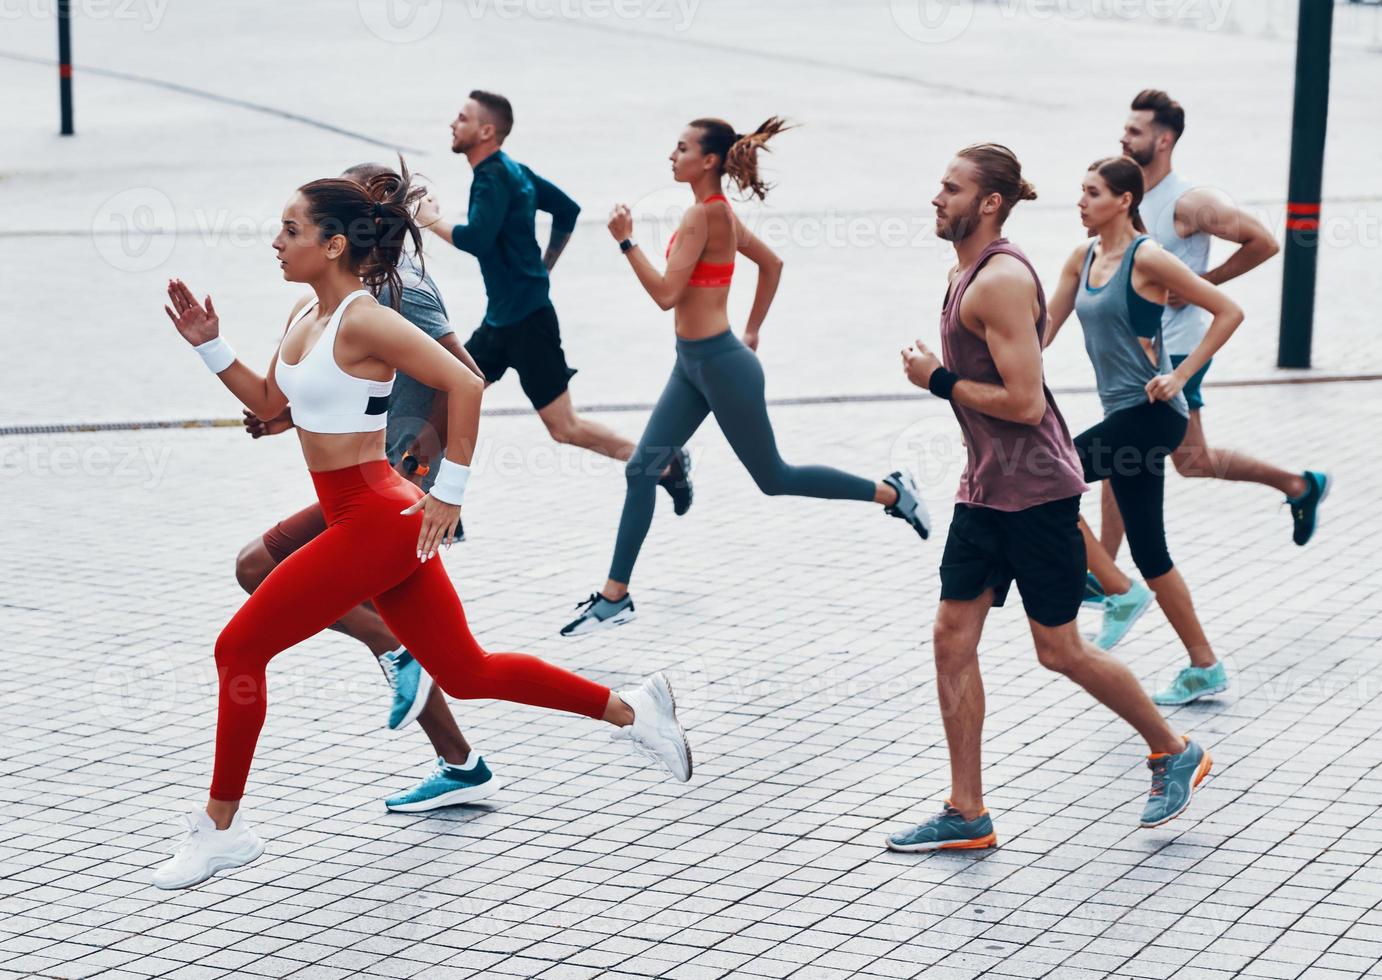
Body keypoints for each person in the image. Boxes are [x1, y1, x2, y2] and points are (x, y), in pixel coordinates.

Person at [153, 159, 692, 890]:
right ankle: (635, 708)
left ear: (336, 244)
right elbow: (272, 406)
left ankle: (222, 828)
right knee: (467, 673)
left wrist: (452, 492)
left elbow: (463, 379)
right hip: (369, 513)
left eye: (290, 231)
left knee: (238, 647)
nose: (276, 243)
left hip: (376, 514)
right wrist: (209, 344)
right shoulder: (303, 316)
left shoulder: (369, 316)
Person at [887, 144, 1210, 853]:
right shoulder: (962, 272)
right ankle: (967, 811)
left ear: (990, 202)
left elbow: (1027, 403)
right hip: (985, 490)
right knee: (951, 638)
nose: (936, 198)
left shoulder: (998, 279)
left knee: (1059, 650)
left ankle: (1172, 749)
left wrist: (936, 381)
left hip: (1034, 493)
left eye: (950, 188)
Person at [559, 116, 932, 637]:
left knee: (774, 478)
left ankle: (893, 492)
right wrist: (751, 330)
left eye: (682, 147)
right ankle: (614, 597)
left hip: (721, 367)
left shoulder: (702, 217)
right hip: (695, 362)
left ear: (708, 160)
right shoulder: (719, 214)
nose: (672, 155)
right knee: (641, 469)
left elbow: (666, 293)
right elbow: (772, 264)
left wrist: (627, 243)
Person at [234, 163, 503, 815]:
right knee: (270, 574)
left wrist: (425, 466)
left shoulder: (402, 290)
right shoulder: (342, 294)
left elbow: (468, 376)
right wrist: (282, 414)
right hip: (358, 490)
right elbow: (337, 386)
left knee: (262, 575)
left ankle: (444, 732)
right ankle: (459, 760)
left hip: (391, 490)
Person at [416, 90, 692, 513]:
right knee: (450, 395)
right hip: (504, 320)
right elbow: (567, 209)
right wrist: (545, 267)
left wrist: (430, 218)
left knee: (564, 428)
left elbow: (476, 239)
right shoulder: (515, 171)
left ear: (486, 131)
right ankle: (424, 490)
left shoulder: (492, 176)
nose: (453, 124)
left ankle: (663, 462)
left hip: (526, 325)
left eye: (462, 117)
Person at [1044, 156, 1242, 705]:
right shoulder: (1081, 258)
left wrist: (1178, 374)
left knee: (1047, 477)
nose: (1080, 201)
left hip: (1154, 415)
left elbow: (1227, 310)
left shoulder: (1147, 258)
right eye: (1080, 190)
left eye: (1092, 192)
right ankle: (1205, 665)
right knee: (1152, 550)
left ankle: (1117, 589)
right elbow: (1043, 332)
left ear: (1123, 200)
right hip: (1124, 418)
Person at [1111, 88, 1329, 553]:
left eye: (1135, 130)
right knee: (1190, 459)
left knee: (1117, 451)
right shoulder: (1131, 197)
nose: (1123, 137)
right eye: (1125, 128)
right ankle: (1299, 485)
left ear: (1164, 140)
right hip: (1148, 350)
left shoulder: (1188, 202)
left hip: (1179, 350)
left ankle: (1104, 576)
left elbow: (1263, 241)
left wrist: (1200, 282)